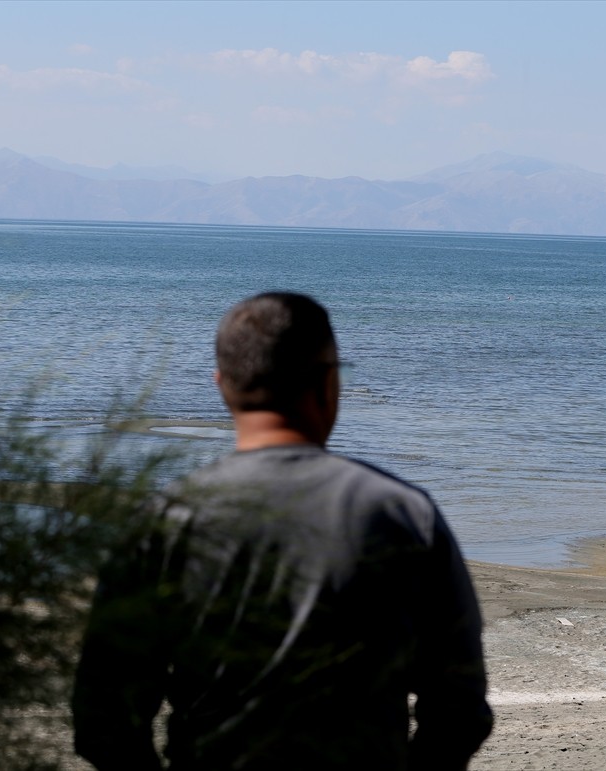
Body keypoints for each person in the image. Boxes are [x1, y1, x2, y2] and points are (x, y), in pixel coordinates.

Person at [72, 292, 492, 770]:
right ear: (329, 383)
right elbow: (459, 708)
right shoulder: (402, 514)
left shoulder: (164, 521)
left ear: (222, 385)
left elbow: (103, 717)